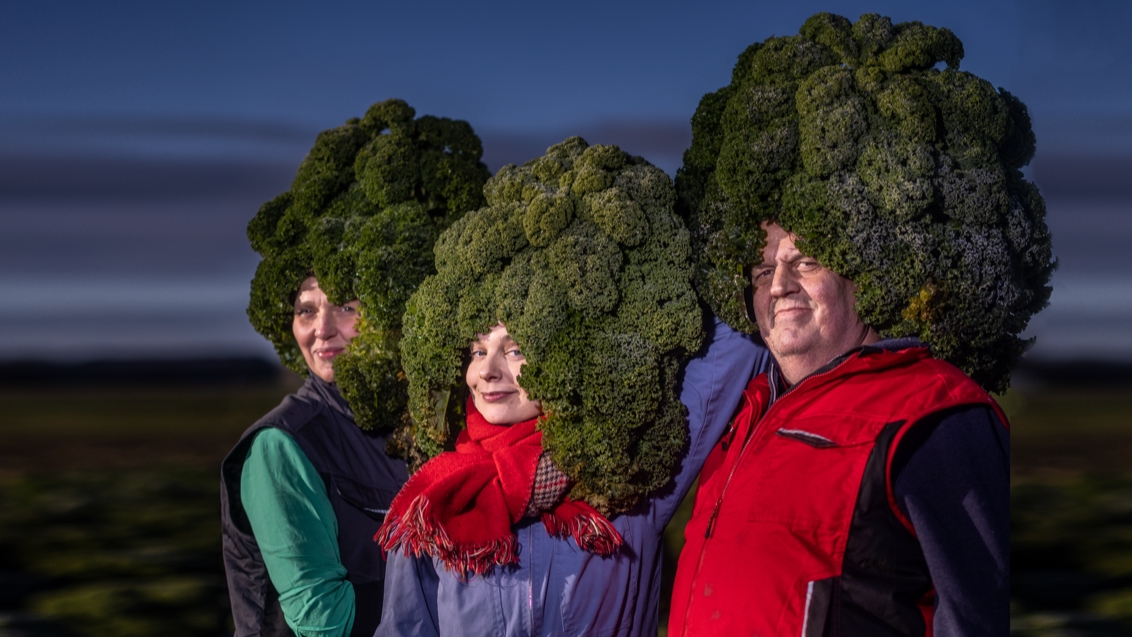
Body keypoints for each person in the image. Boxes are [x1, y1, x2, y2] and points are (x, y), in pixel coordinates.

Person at [668, 223, 1010, 636]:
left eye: (806, 264)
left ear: (861, 279)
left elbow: (976, 616)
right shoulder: (741, 414)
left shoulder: (932, 409)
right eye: (762, 272)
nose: (778, 286)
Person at [376, 317, 769, 637]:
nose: (487, 371)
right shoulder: (435, 499)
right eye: (479, 351)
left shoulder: (626, 473)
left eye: (516, 350)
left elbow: (738, 341)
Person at [220, 276, 408, 637]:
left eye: (345, 307)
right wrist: (456, 593)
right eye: (306, 311)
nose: (322, 329)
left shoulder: (413, 431)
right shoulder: (280, 445)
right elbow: (323, 620)